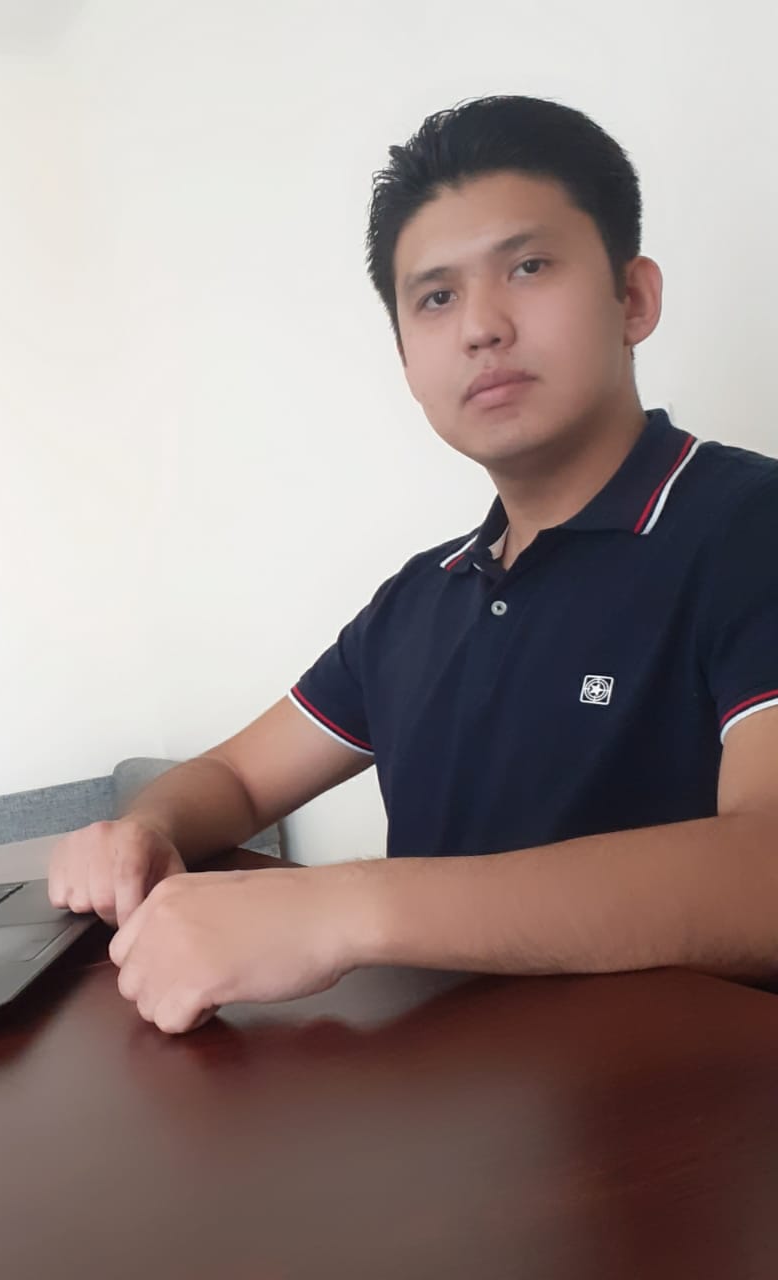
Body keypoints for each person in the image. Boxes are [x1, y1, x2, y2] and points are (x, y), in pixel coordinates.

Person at [47, 94, 778, 1034]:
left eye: (528, 266)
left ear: (632, 298)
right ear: (406, 359)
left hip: (680, 1113)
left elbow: (766, 873)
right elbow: (234, 778)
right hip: (439, 1098)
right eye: (436, 297)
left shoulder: (746, 528)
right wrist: (143, 832)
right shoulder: (422, 598)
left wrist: (342, 910)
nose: (481, 327)